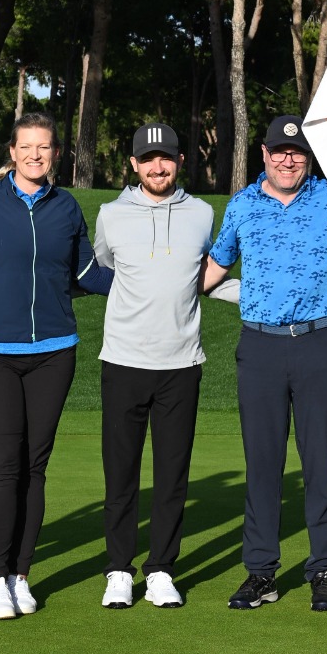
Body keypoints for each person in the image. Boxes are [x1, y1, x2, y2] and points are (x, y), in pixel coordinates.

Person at [0, 112, 113, 621]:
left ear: (55, 154)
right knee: (0, 468)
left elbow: (87, 273)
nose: (35, 155)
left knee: (35, 469)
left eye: (45, 147)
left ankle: (21, 574)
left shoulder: (66, 208)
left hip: (54, 354)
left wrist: (157, 273)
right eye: (26, 147)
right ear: (12, 153)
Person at [203, 115, 327, 612]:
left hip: (319, 343)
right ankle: (261, 573)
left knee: (320, 463)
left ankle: (323, 569)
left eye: (297, 152)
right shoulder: (242, 205)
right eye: (279, 151)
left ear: (308, 157)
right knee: (263, 465)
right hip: (261, 348)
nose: (288, 159)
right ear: (265, 153)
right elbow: (216, 265)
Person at [92, 122, 238, 610]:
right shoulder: (110, 216)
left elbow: (204, 279)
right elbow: (106, 270)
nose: (158, 167)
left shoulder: (201, 214)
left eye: (167, 158)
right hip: (124, 361)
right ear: (134, 164)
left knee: (173, 475)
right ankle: (118, 569)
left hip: (181, 365)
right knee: (121, 475)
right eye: (149, 159)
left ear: (180, 162)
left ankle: (160, 570)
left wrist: (258, 296)